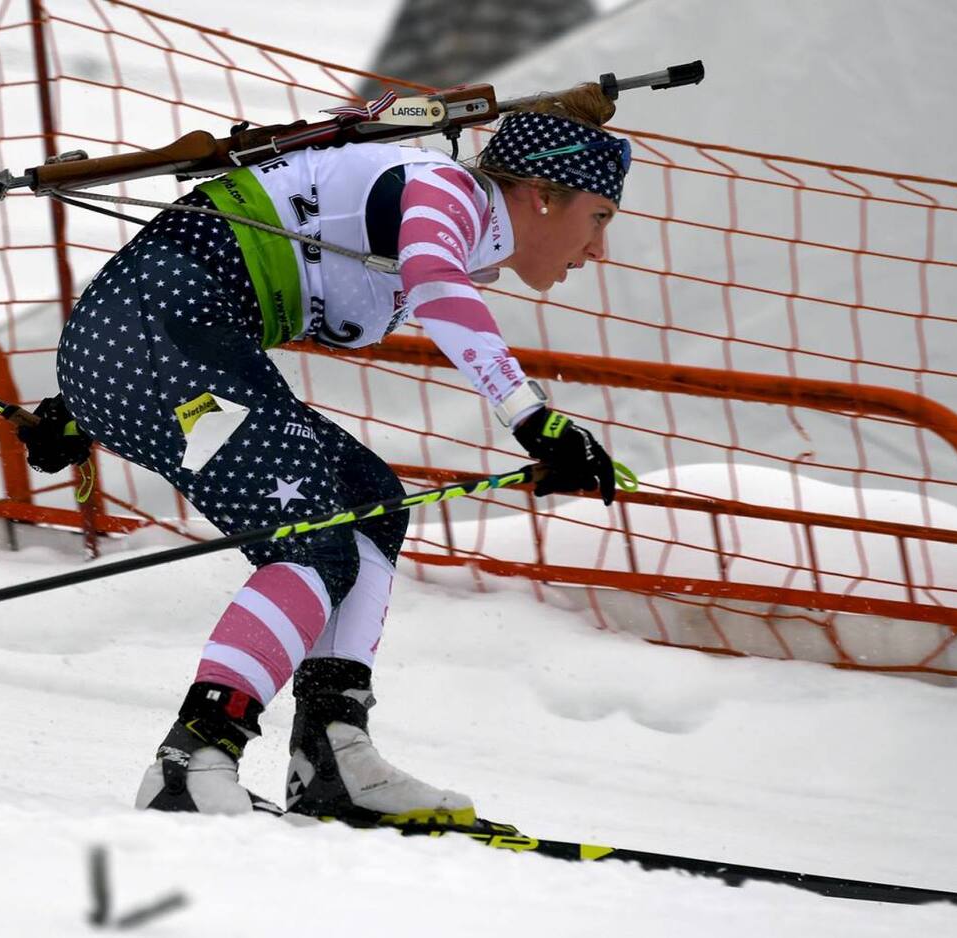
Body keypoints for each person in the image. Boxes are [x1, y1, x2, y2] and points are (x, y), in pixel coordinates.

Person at [53, 85, 627, 827]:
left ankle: (331, 757)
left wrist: (80, 405)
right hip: (154, 339)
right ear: (545, 198)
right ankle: (193, 758)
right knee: (312, 538)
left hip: (150, 347)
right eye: (599, 217)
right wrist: (534, 420)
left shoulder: (454, 217)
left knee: (367, 500)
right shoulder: (441, 190)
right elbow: (435, 284)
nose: (600, 248)